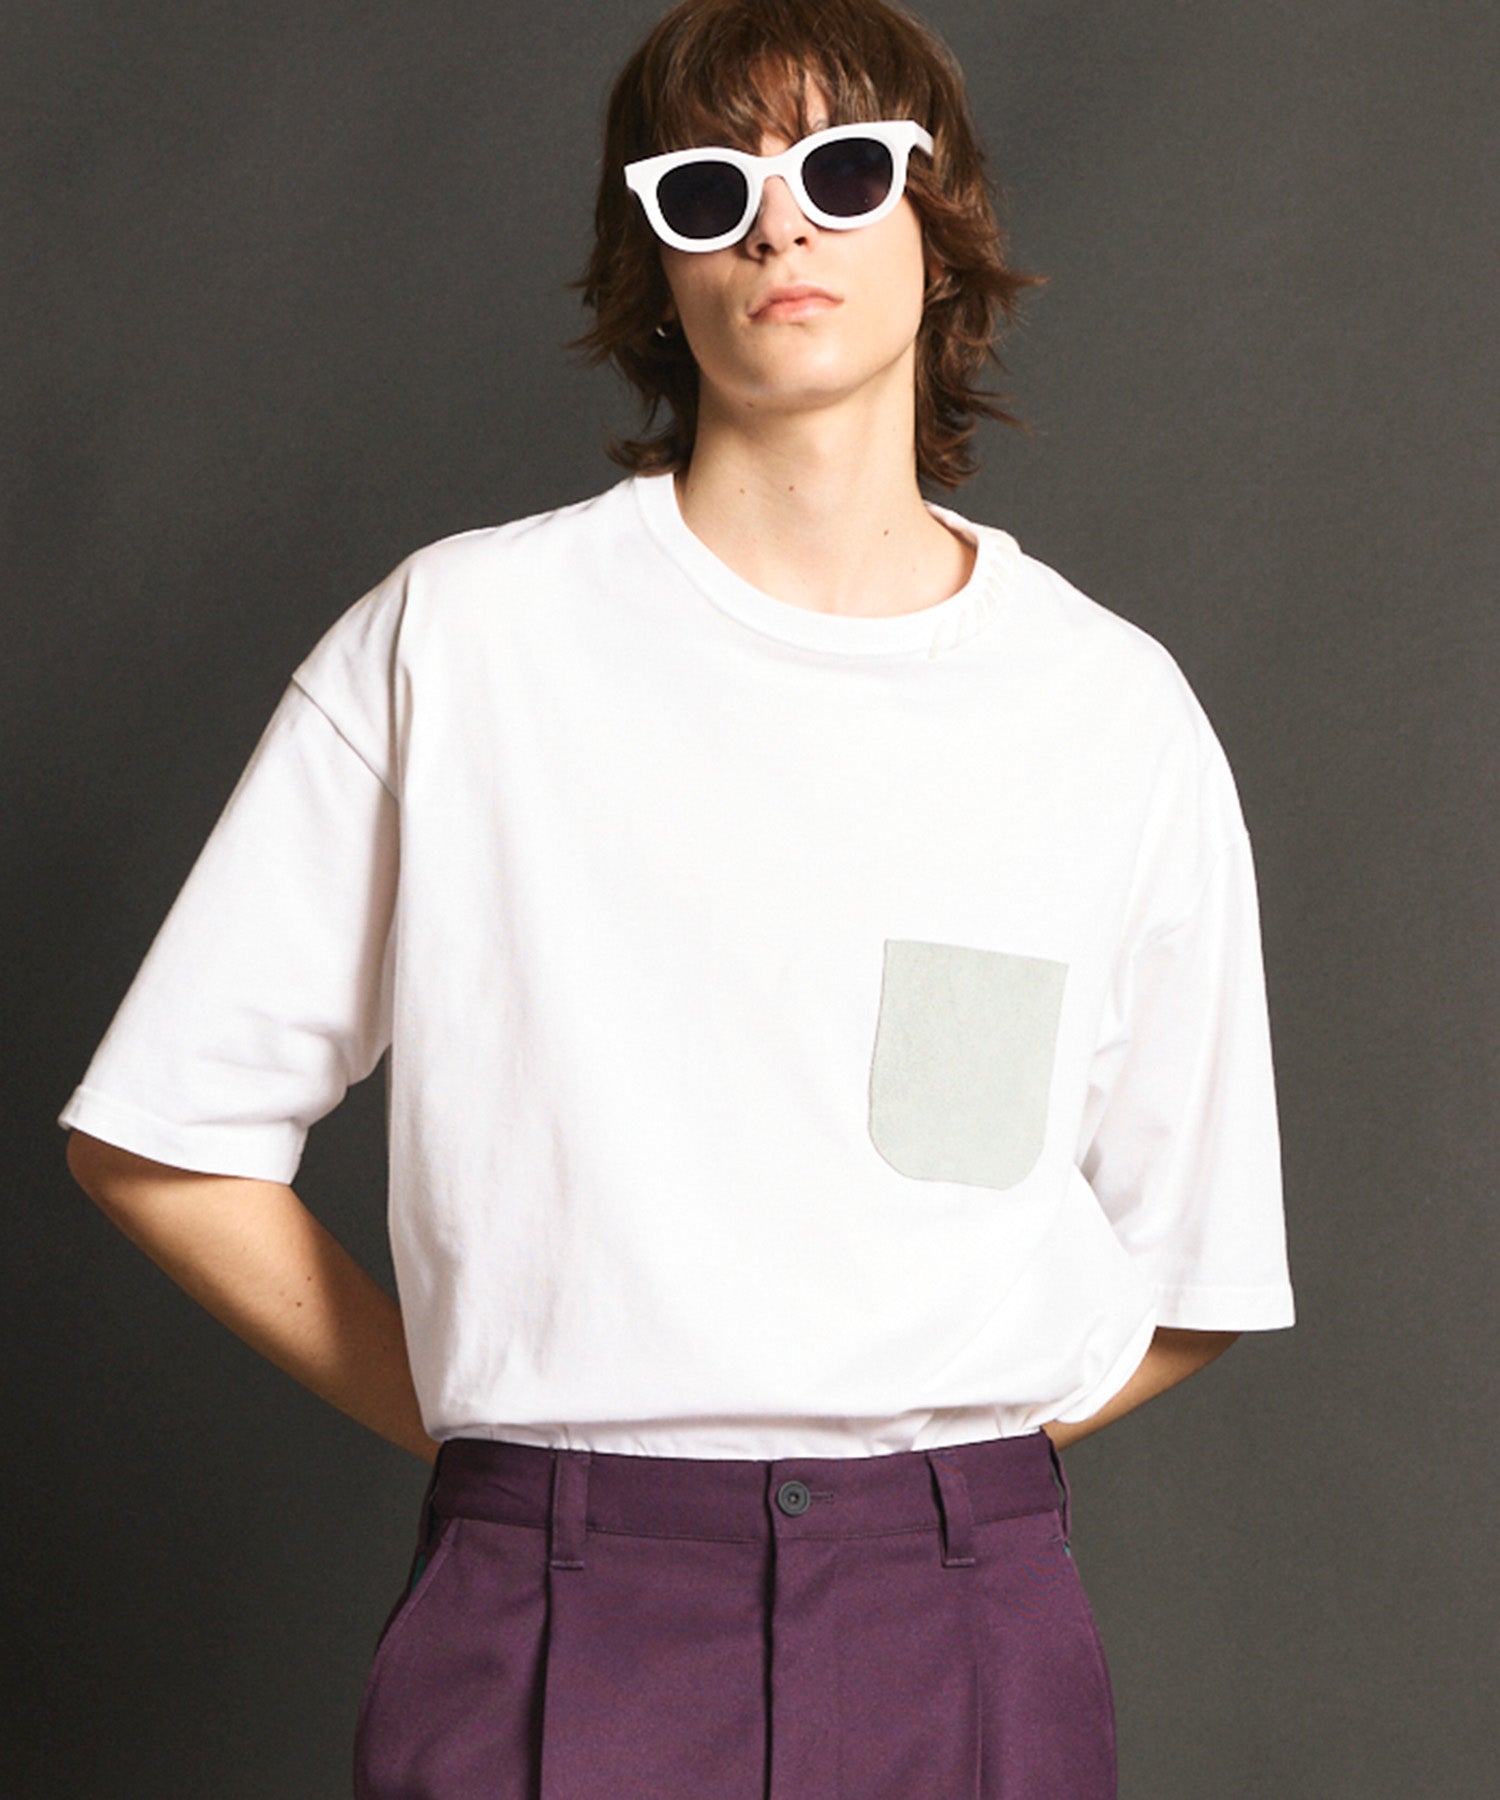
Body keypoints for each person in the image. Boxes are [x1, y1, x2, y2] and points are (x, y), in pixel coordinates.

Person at [62, 0, 1295, 1794]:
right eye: (710, 189)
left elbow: (1194, 1267)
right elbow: (165, 1137)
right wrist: (497, 1430)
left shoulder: (1106, 708)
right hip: (556, 1590)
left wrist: (918, 1474)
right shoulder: (464, 642)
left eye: (843, 170)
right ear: (655, 262)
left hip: (960, 1613)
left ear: (942, 227)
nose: (780, 224)